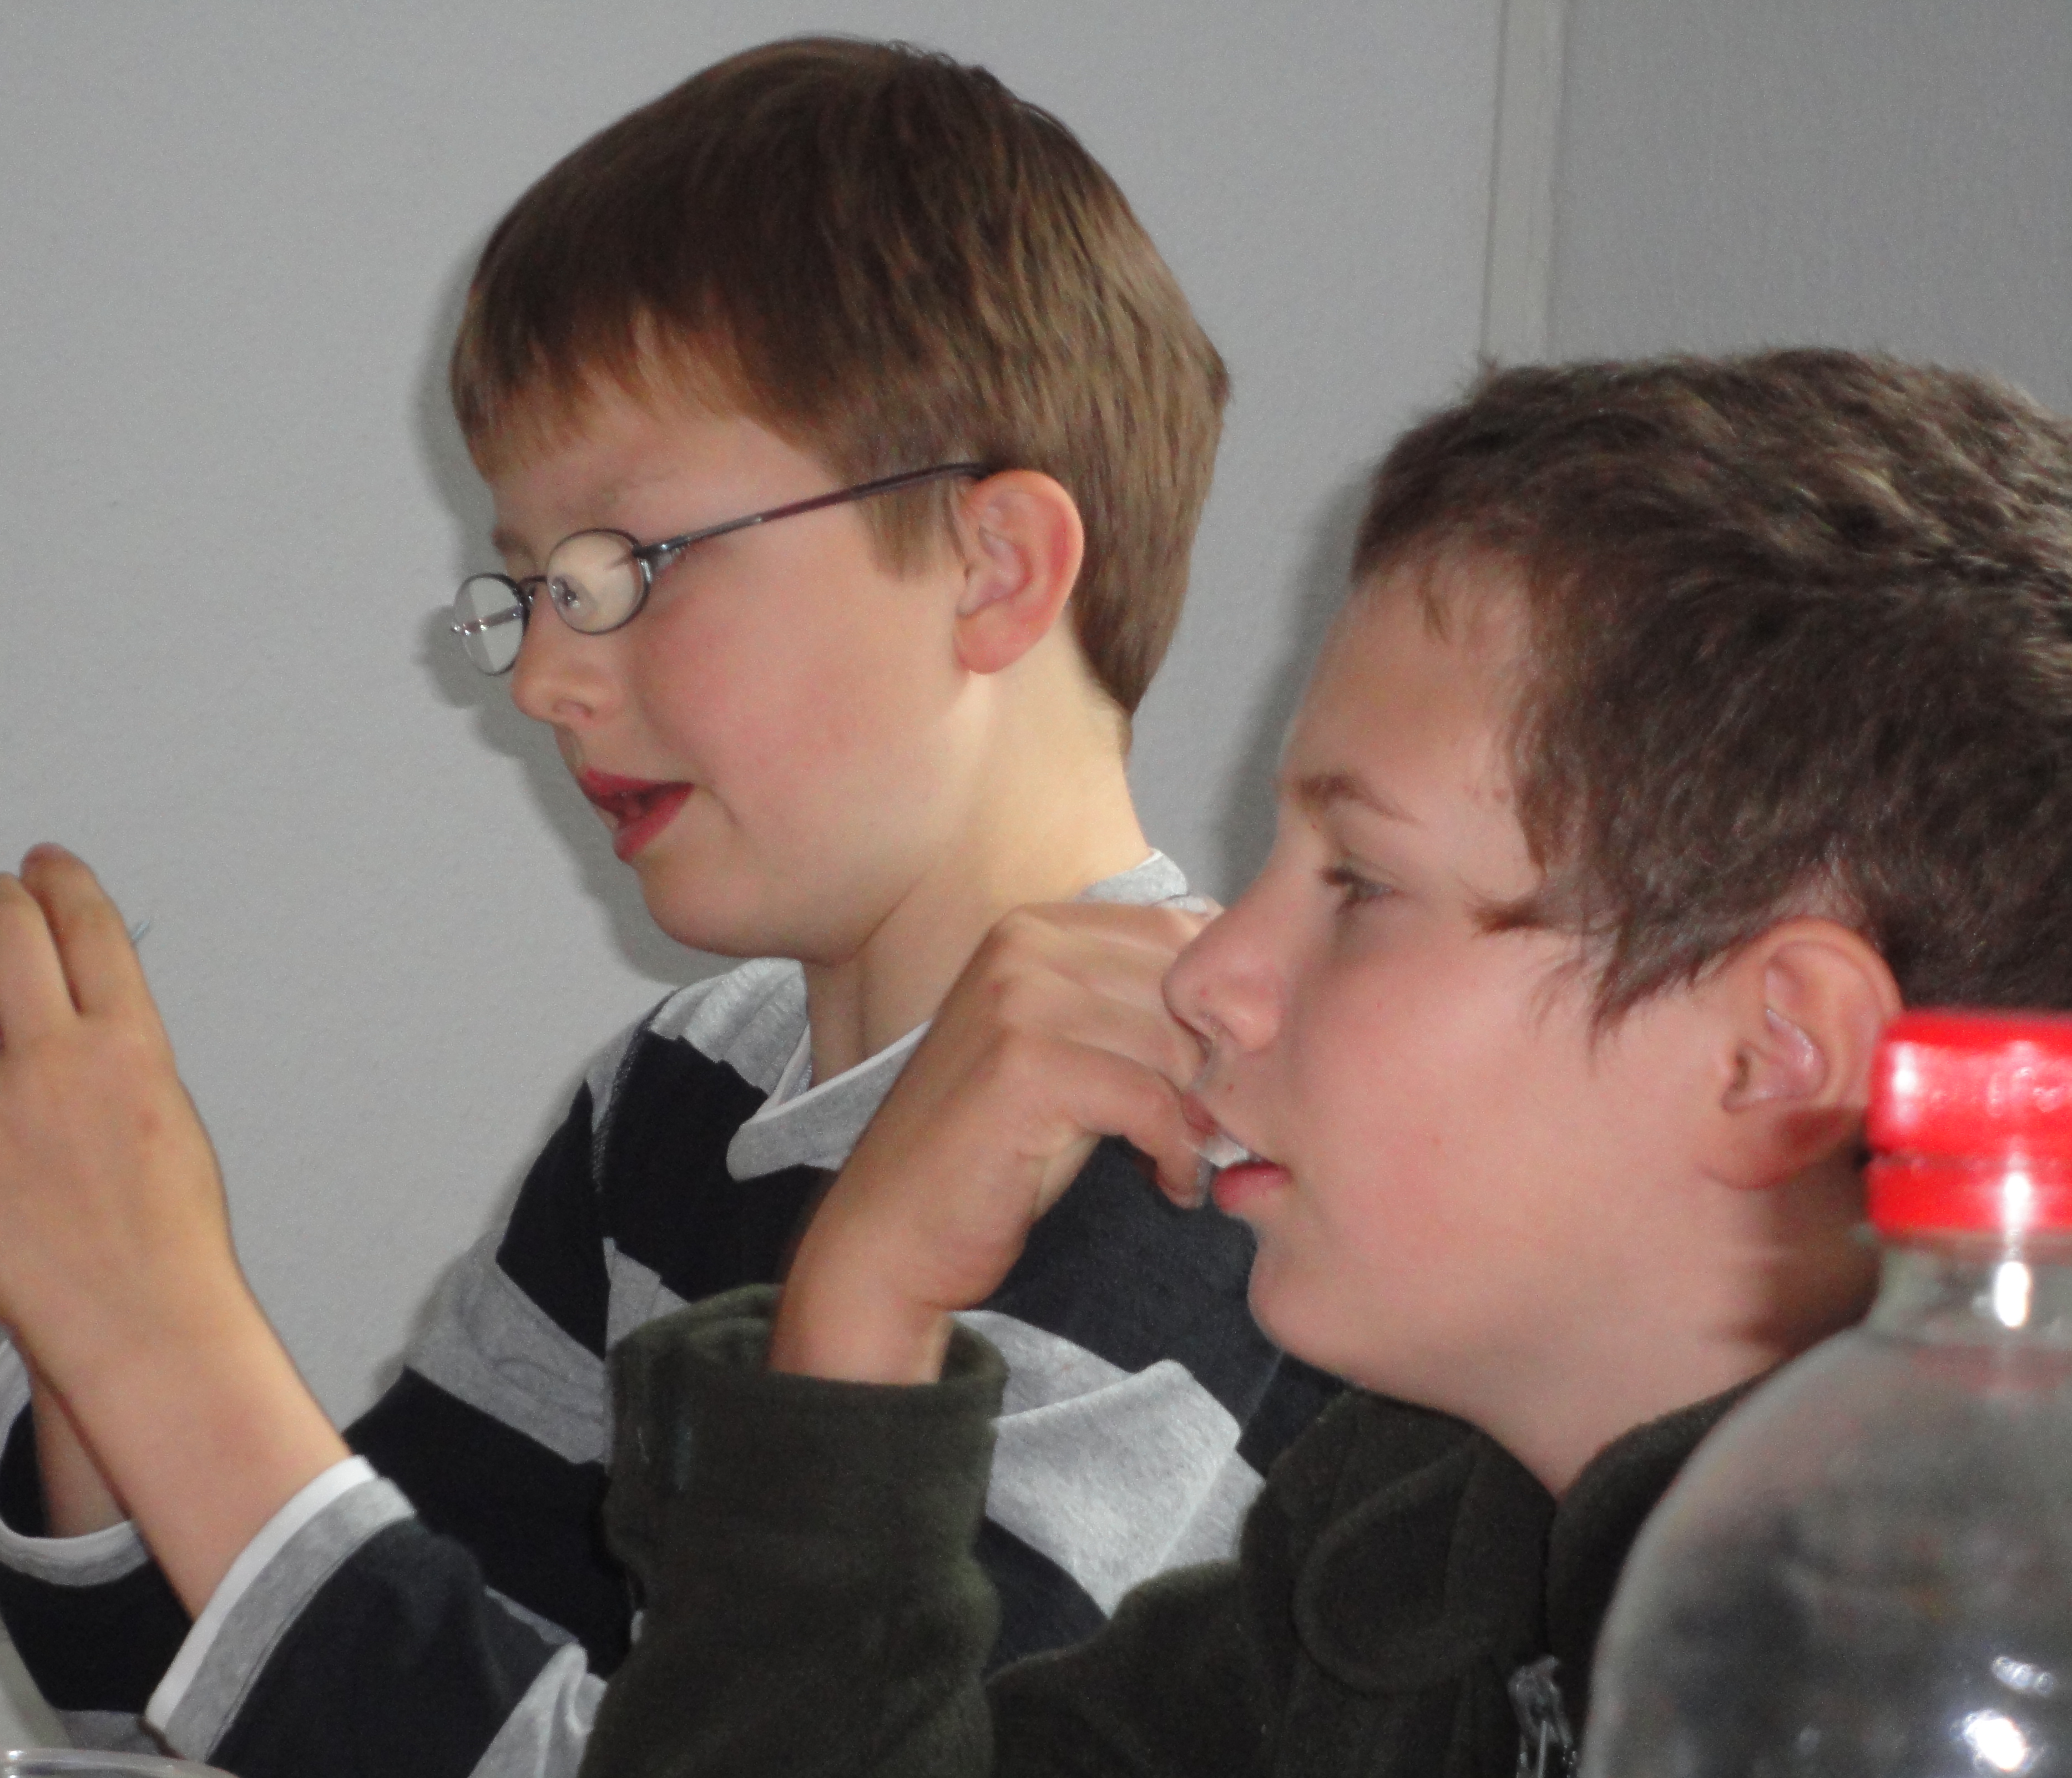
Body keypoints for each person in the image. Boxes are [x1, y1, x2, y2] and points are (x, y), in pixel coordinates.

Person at [0, 36, 1338, 1776]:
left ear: (991, 568)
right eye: (530, 587)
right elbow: (250, 1702)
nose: (545, 676)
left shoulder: (1192, 1155)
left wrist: (150, 1320)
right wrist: (76, 1306)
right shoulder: (682, 1091)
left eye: (627, 567)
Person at [569, 349, 2072, 1777]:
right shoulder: (1405, 1554)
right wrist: (862, 1316)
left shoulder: (1957, 1670)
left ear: (1774, 1055)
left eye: (1358, 883)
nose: (1212, 972)